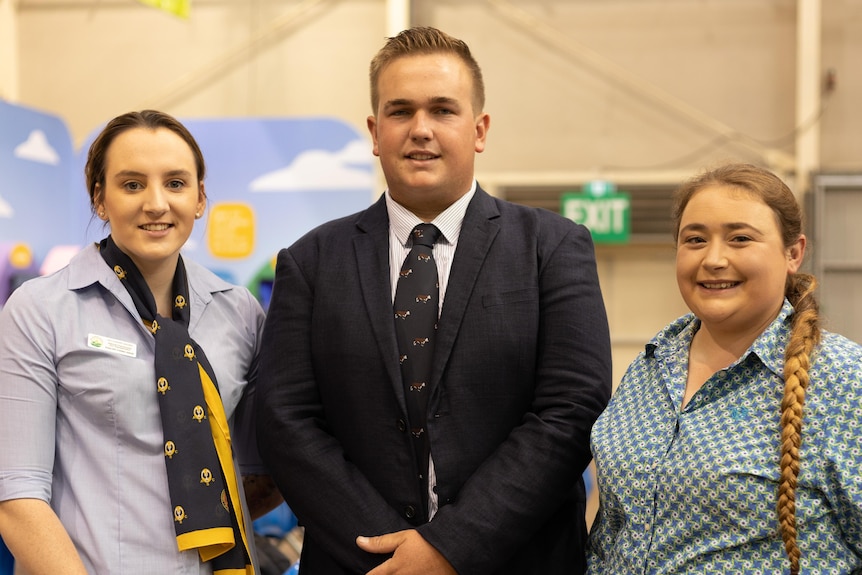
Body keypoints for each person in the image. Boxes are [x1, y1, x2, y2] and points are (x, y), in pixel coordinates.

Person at [256, 26, 612, 575]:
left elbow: (570, 410)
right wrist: (393, 556)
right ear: (375, 132)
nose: (420, 130)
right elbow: (287, 420)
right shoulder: (310, 262)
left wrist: (450, 546)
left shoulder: (553, 248)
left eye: (443, 110)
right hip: (361, 566)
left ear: (479, 129)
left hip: (518, 561)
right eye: (400, 112)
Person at [0, 110, 281, 574]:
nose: (156, 204)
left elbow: (261, 474)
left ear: (200, 199)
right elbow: (17, 494)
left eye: (175, 183)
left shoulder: (240, 311)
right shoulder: (40, 310)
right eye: (131, 185)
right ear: (99, 199)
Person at [587, 163, 862, 574]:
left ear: (794, 253)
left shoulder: (844, 382)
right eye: (695, 239)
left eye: (740, 239)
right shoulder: (650, 367)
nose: (714, 259)